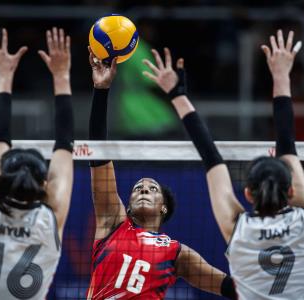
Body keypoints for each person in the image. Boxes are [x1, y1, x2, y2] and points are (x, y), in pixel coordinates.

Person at [143, 30, 304, 299]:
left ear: (248, 193)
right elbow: (287, 143)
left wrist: (176, 94)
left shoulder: (239, 230)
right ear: (291, 192)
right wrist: (281, 75)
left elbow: (210, 157)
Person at [85, 47, 236, 300]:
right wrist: (101, 91)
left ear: (163, 208)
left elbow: (228, 287)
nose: (143, 189)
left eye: (152, 189)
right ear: (128, 207)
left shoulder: (177, 253)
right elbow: (98, 155)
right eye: (137, 189)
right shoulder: (113, 223)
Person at [0, 27, 74, 299]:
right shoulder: (49, 219)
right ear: (44, 184)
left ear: (0, 177)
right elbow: (65, 145)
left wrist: (4, 75)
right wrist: (61, 75)